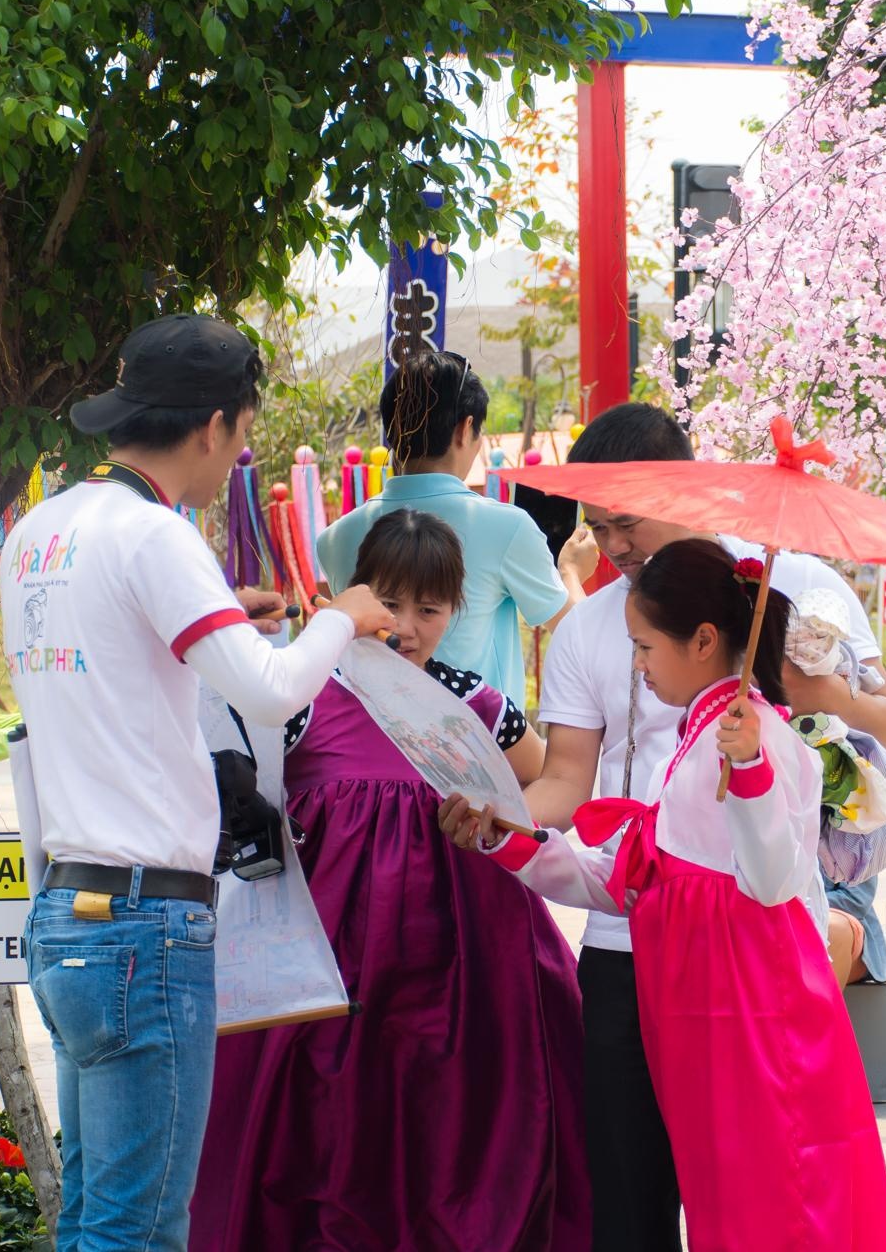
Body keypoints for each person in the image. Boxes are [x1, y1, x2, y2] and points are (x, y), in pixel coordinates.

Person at [0, 314, 393, 1251]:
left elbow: (121, 661)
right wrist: (342, 618)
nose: (240, 456)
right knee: (139, 1233)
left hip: (65, 913)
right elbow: (272, 688)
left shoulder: (41, 532)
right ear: (213, 425)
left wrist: (227, 615)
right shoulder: (156, 535)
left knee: (95, 1217)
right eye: (245, 433)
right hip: (145, 927)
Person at [519, 403, 886, 1251]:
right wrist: (503, 824)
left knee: (765, 1185)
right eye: (596, 525)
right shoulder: (588, 626)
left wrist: (809, 691)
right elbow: (567, 780)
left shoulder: (788, 592)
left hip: (747, 952)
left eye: (627, 519)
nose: (613, 545)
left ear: (687, 492)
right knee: (628, 1189)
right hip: (629, 933)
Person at [189, 509, 589, 1250]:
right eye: (389, 602)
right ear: (355, 594)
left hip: (462, 961)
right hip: (330, 961)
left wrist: (496, 819)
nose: (405, 624)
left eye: (428, 608)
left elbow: (541, 786)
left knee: (448, 1123)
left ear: (454, 610)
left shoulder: (477, 705)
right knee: (329, 1124)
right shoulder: (305, 694)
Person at [317, 347, 596, 701]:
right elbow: (577, 635)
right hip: (483, 740)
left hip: (379, 736)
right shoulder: (505, 527)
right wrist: (571, 571)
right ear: (466, 428)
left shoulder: (334, 538)